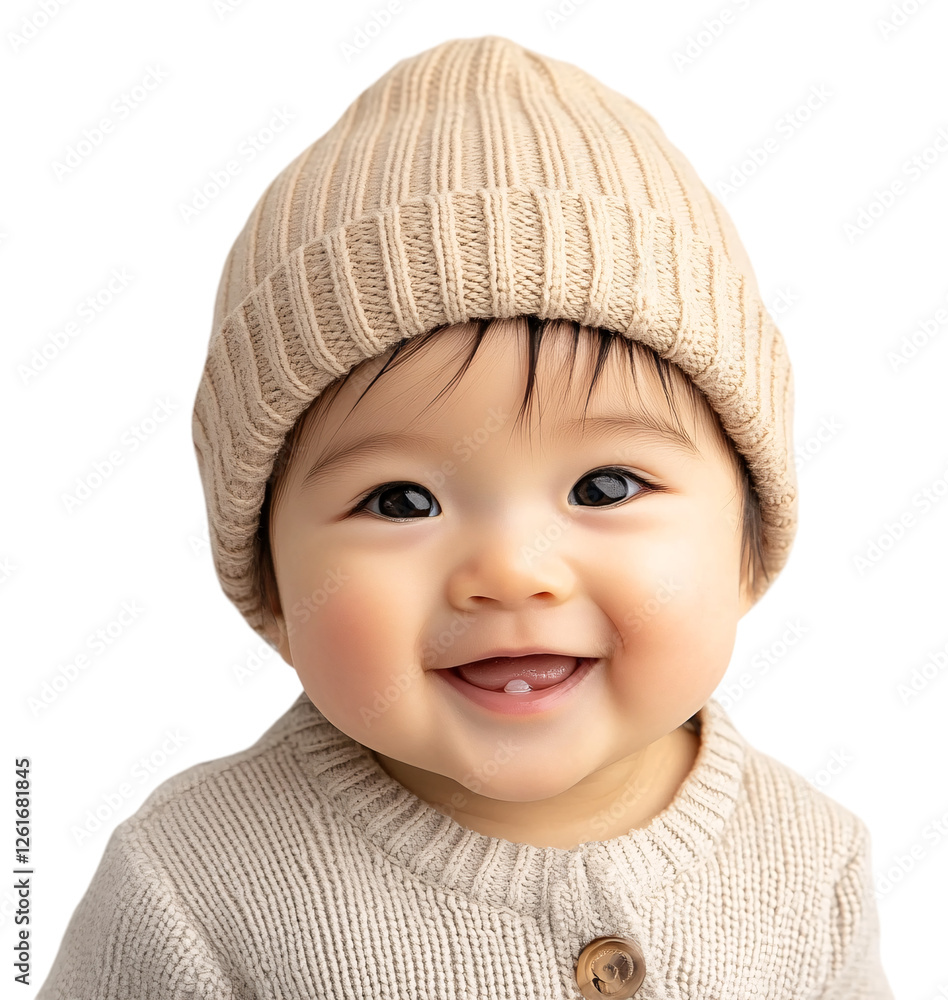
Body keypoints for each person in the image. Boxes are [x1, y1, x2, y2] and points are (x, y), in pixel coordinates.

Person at [38, 34, 894, 998]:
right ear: (267, 581)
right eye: (401, 501)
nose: (512, 568)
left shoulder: (812, 864)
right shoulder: (195, 892)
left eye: (605, 487)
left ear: (751, 543)